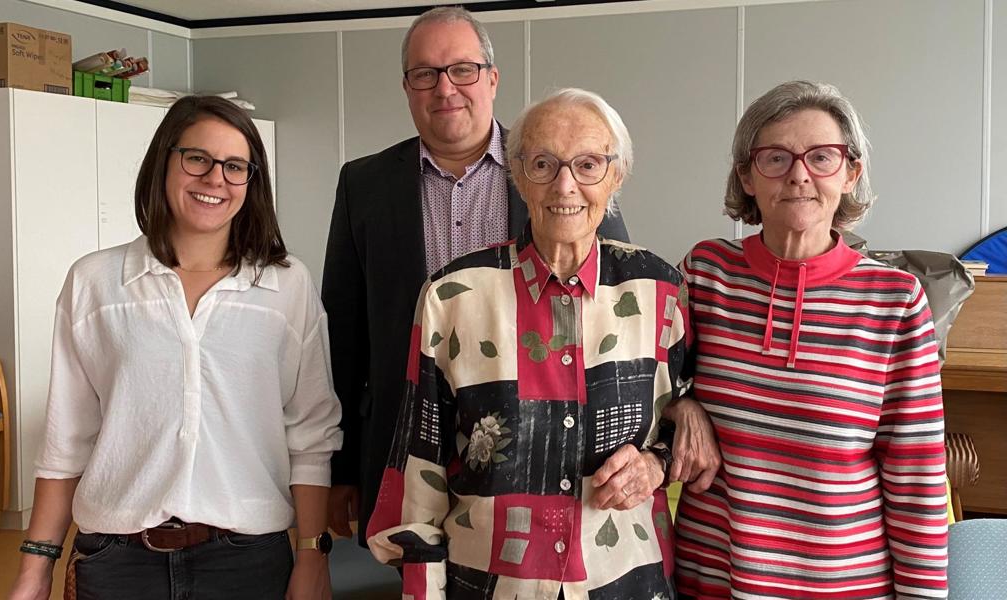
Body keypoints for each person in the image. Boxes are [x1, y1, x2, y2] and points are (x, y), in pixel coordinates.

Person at [366, 87, 718, 599]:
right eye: (543, 163)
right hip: (490, 582)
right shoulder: (453, 295)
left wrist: (656, 462)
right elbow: (420, 468)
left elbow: (682, 413)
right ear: (518, 176)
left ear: (615, 177)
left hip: (625, 580)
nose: (565, 184)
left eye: (589, 165)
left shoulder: (659, 289)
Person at [8, 96, 342, 600]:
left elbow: (310, 435)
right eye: (197, 159)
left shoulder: (286, 286)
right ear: (163, 161)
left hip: (247, 560)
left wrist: (313, 555)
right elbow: (65, 441)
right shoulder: (95, 282)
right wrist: (36, 566)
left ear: (252, 183)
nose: (215, 179)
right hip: (117, 561)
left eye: (235, 166)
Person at [322, 6, 630, 547]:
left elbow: (614, 303)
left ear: (492, 78)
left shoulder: (557, 171)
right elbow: (343, 337)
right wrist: (341, 467)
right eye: (426, 73)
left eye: (462, 69)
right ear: (407, 86)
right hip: (407, 444)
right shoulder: (363, 185)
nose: (446, 88)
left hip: (536, 449)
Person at [674, 80, 949, 599]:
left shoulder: (894, 300)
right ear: (746, 177)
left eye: (822, 157)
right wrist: (681, 406)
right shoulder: (705, 273)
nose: (799, 175)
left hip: (843, 585)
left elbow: (917, 477)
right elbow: (642, 380)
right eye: (775, 158)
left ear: (851, 173)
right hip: (711, 580)